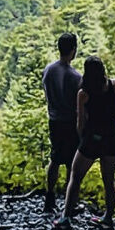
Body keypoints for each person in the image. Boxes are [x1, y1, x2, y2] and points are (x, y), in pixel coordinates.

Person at [53, 56, 115, 230]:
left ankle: (65, 218)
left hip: (91, 140)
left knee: (76, 177)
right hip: (111, 138)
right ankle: (108, 218)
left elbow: (80, 121)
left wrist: (81, 139)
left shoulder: (83, 93)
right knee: (109, 181)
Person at [42, 33, 82, 212]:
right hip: (70, 123)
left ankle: (49, 197)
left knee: (55, 159)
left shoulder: (49, 70)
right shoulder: (75, 76)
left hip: (54, 120)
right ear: (73, 50)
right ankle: (69, 203)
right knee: (71, 164)